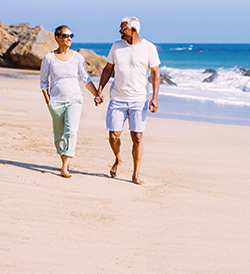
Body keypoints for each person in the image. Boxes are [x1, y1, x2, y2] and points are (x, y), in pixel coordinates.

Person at [95, 17, 160, 185]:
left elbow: (155, 74)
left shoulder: (149, 48)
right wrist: (100, 90)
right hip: (117, 98)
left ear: (134, 30)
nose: (120, 32)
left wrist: (154, 97)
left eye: (123, 29)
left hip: (139, 99)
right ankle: (118, 159)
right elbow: (107, 69)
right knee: (113, 135)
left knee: (137, 136)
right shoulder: (116, 46)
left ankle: (135, 174)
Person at [40, 25, 101, 178]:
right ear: (57, 38)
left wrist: (96, 94)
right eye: (66, 35)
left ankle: (65, 167)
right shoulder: (48, 58)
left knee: (71, 131)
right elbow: (43, 82)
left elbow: (85, 78)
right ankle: (64, 159)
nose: (69, 38)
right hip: (56, 102)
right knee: (59, 135)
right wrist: (48, 101)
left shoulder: (78, 58)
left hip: (74, 99)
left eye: (71, 35)